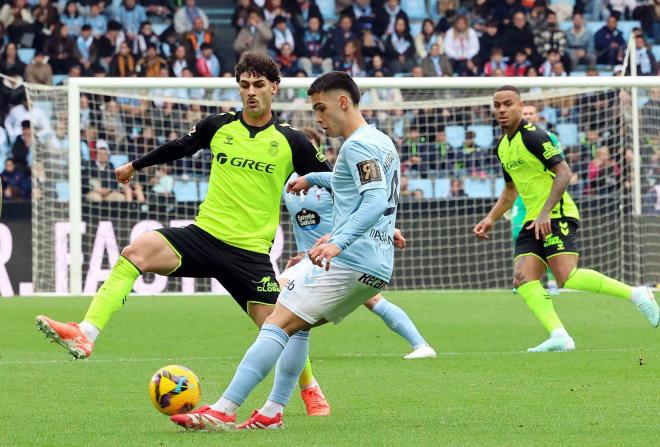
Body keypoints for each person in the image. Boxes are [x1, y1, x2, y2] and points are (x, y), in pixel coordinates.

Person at [35, 52, 333, 416]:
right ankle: (86, 332)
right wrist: (135, 165)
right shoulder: (218, 126)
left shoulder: (293, 141)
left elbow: (337, 183)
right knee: (137, 250)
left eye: (258, 85)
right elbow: (179, 147)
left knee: (280, 326)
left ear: (274, 87)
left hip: (249, 254)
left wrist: (370, 225)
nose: (251, 92)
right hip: (204, 236)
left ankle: (310, 387)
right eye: (244, 85)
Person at [170, 71, 402, 431]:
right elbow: (364, 190)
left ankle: (224, 409)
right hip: (376, 264)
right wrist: (313, 177)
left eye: (322, 109)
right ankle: (272, 412)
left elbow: (372, 200)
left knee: (277, 322)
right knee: (293, 316)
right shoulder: (380, 141)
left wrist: (338, 241)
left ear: (343, 102)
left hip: (350, 259)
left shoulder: (358, 145)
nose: (319, 119)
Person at [473, 85, 658, 353]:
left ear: (519, 105)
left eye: (508, 104)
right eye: (497, 104)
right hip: (532, 220)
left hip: (555, 213)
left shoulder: (535, 136)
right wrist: (490, 218)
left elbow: (564, 172)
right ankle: (560, 336)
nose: (501, 109)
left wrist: (546, 211)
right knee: (523, 278)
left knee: (566, 277)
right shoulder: (503, 146)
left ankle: (636, 293)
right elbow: (511, 190)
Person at [282, 128, 435, 360]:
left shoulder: (331, 177)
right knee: (291, 312)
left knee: (285, 308)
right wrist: (302, 254)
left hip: (341, 254)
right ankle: (421, 344)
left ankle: (421, 344)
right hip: (314, 257)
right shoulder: (290, 182)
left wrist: (386, 228)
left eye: (310, 145)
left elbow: (361, 206)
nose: (305, 150)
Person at [509, 104, 560, 295]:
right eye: (526, 113)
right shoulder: (511, 140)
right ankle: (525, 278)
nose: (528, 116)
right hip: (522, 197)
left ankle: (552, 282)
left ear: (537, 117)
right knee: (518, 234)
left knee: (544, 236)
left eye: (531, 113)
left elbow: (559, 167)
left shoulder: (547, 137)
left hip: (541, 196)